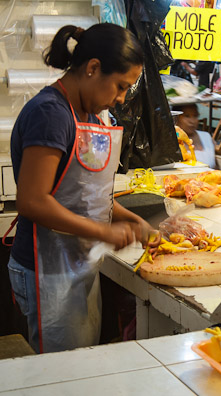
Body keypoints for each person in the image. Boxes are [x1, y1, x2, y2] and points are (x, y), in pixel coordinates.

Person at [8, 23, 160, 354]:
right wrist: (103, 232)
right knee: (61, 377)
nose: (120, 99)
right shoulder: (51, 114)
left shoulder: (94, 114)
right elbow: (32, 201)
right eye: (120, 87)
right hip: (45, 270)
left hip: (78, 262)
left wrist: (129, 220)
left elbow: (88, 192)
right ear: (92, 68)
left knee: (79, 366)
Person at [174, 103, 216, 169]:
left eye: (195, 116)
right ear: (176, 118)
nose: (192, 121)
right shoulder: (172, 141)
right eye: (187, 116)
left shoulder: (206, 137)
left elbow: (216, 168)